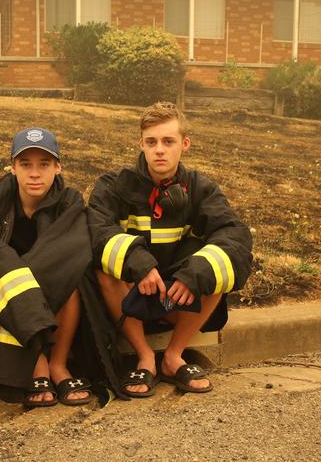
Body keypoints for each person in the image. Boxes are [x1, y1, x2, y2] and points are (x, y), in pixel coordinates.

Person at [88, 102, 252, 397]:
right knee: (103, 267)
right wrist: (138, 262)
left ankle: (174, 356)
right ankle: (145, 357)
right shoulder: (113, 185)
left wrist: (196, 273)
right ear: (141, 144)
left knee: (216, 266)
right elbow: (97, 231)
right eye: (151, 142)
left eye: (168, 141)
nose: (159, 150)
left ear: (184, 144)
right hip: (131, 297)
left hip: (178, 300)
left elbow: (235, 236)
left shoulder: (201, 188)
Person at [0, 127, 93, 407]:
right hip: (9, 303)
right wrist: (17, 281)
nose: (34, 173)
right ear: (12, 168)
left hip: (53, 292)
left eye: (44, 164)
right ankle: (39, 362)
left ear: (57, 167)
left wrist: (24, 280)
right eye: (25, 164)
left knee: (73, 280)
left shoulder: (69, 202)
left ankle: (58, 363)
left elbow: (68, 253)